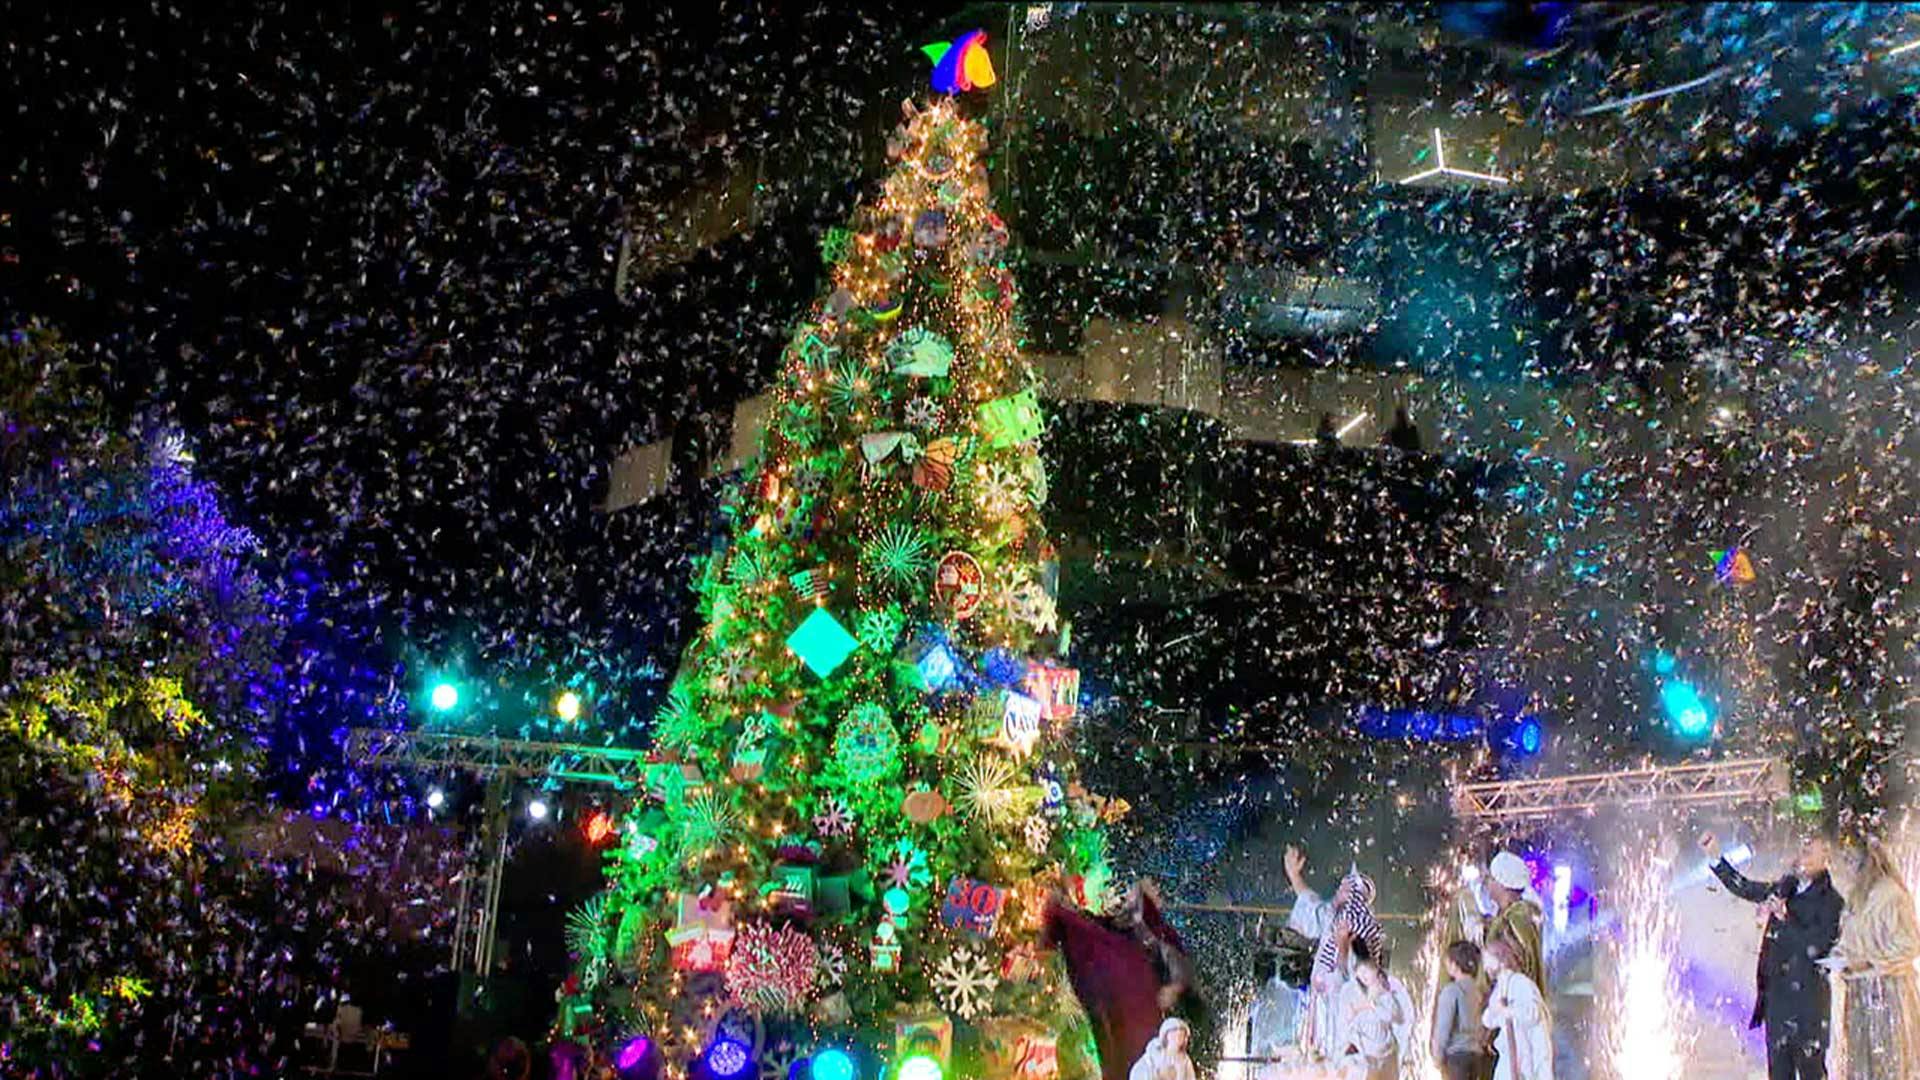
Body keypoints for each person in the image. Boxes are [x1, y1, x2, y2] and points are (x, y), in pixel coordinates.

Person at [1700, 830, 1844, 1080]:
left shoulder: (1831, 901)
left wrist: (1786, 918)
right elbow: (1746, 888)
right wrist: (1716, 858)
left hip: (1808, 1008)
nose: (1803, 856)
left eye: (1810, 852)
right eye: (1803, 850)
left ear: (1826, 857)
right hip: (1778, 1004)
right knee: (1778, 1073)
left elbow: (1818, 946)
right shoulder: (1786, 888)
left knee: (1812, 1073)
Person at [1826, 839, 1920, 1080]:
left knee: (1889, 1061)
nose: (1847, 867)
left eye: (1852, 861)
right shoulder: (1856, 899)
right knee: (1861, 1063)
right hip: (1858, 991)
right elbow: (1847, 940)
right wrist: (1839, 958)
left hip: (1888, 991)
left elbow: (1910, 944)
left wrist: (1870, 963)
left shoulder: (1892, 895)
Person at [1285, 845, 1385, 1060]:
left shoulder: (1362, 925)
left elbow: (1357, 978)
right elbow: (1313, 908)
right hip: (1323, 1002)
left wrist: (1342, 949)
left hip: (1344, 1008)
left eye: (1345, 889)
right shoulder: (1335, 915)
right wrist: (1294, 875)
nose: (1340, 891)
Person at [1338, 941, 1414, 1080]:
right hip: (1366, 1052)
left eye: (1367, 971)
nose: (1364, 976)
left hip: (1386, 1051)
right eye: (1360, 972)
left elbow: (1396, 1016)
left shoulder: (1387, 993)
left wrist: (1372, 1005)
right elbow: (1348, 1023)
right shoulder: (1350, 992)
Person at [1481, 939, 1552, 1080]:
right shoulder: (1501, 986)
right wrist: (1495, 1011)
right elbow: (1488, 1020)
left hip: (1523, 1054)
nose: (1485, 966)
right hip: (1508, 1054)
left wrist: (1508, 1011)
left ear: (1500, 958)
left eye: (1488, 959)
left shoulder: (1520, 982)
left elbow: (1532, 1013)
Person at [1482, 852, 1546, 995]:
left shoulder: (1518, 918)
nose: (1487, 883)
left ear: (1502, 884)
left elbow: (1510, 961)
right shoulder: (1508, 916)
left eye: (1491, 878)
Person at [1432, 941, 1488, 1080]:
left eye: (1448, 962)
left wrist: (1437, 1055)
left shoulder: (1452, 990)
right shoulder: (1479, 992)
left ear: (1455, 964)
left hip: (1456, 1058)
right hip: (1476, 1056)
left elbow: (1443, 1027)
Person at [1128, 1017, 1196, 1080]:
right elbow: (1140, 1072)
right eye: (1174, 1036)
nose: (1178, 1039)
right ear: (1166, 1036)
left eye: (1181, 1036)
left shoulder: (1184, 1060)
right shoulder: (1154, 1055)